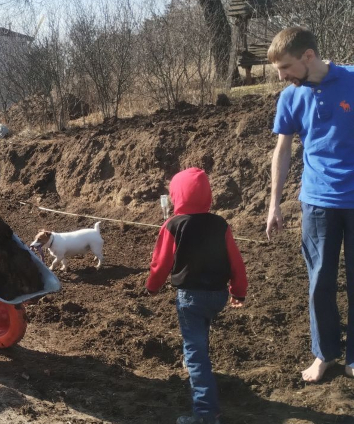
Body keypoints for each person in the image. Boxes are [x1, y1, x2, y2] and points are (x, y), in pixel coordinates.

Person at [265, 26, 354, 383]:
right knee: (320, 281)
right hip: (317, 201)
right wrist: (274, 203)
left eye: (286, 68)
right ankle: (325, 353)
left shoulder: (352, 80)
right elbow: (283, 151)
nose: (282, 76)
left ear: (308, 56)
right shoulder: (290, 97)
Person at [146, 168, 247, 424]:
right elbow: (236, 261)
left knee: (195, 353)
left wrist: (152, 287)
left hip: (191, 298)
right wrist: (238, 291)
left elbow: (161, 263)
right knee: (200, 335)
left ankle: (205, 414)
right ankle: (196, 361)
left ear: (176, 195)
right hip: (217, 295)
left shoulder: (173, 225)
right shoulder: (220, 224)